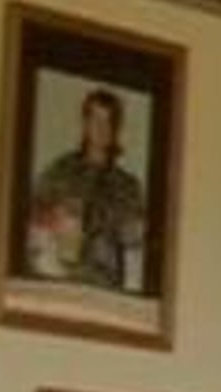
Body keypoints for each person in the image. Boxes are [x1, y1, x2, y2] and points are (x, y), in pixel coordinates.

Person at [29, 88, 147, 293]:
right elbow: (35, 226)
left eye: (108, 122)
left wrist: (131, 291)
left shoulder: (128, 186)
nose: (101, 128)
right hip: (62, 281)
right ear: (85, 123)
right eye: (95, 119)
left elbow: (135, 248)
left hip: (108, 288)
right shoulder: (60, 173)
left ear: (116, 129)